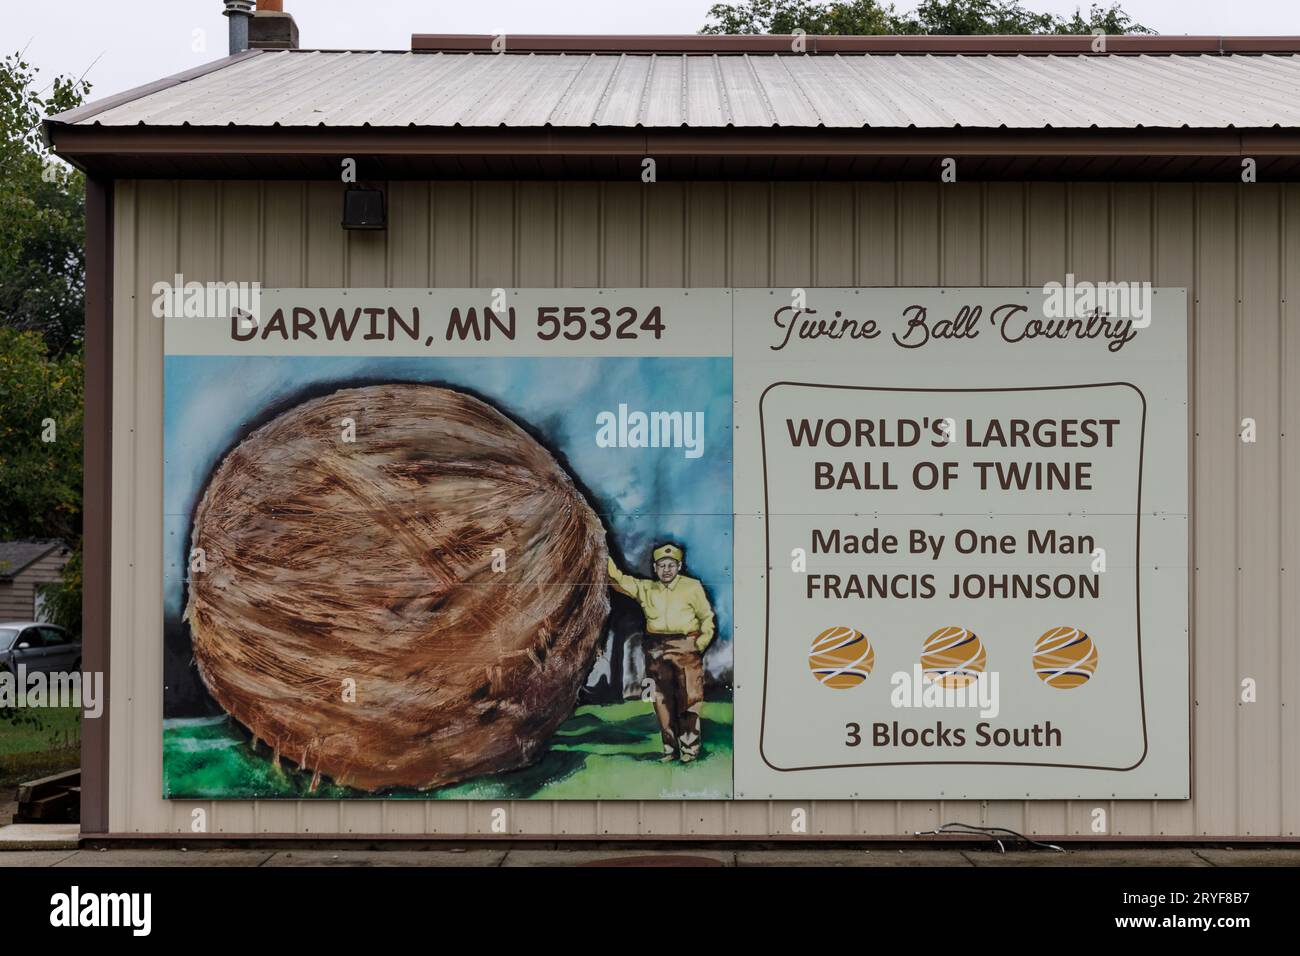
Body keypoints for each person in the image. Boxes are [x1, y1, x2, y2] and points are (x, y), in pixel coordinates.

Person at [607, 543, 715, 763]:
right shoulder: (646, 588)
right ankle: (669, 749)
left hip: (685, 647)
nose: (666, 569)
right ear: (655, 568)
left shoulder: (692, 587)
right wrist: (601, 552)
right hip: (655, 650)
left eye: (671, 565)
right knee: (661, 701)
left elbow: (707, 618)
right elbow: (618, 579)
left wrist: (698, 645)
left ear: (679, 565)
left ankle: (689, 748)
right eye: (661, 565)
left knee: (689, 699)